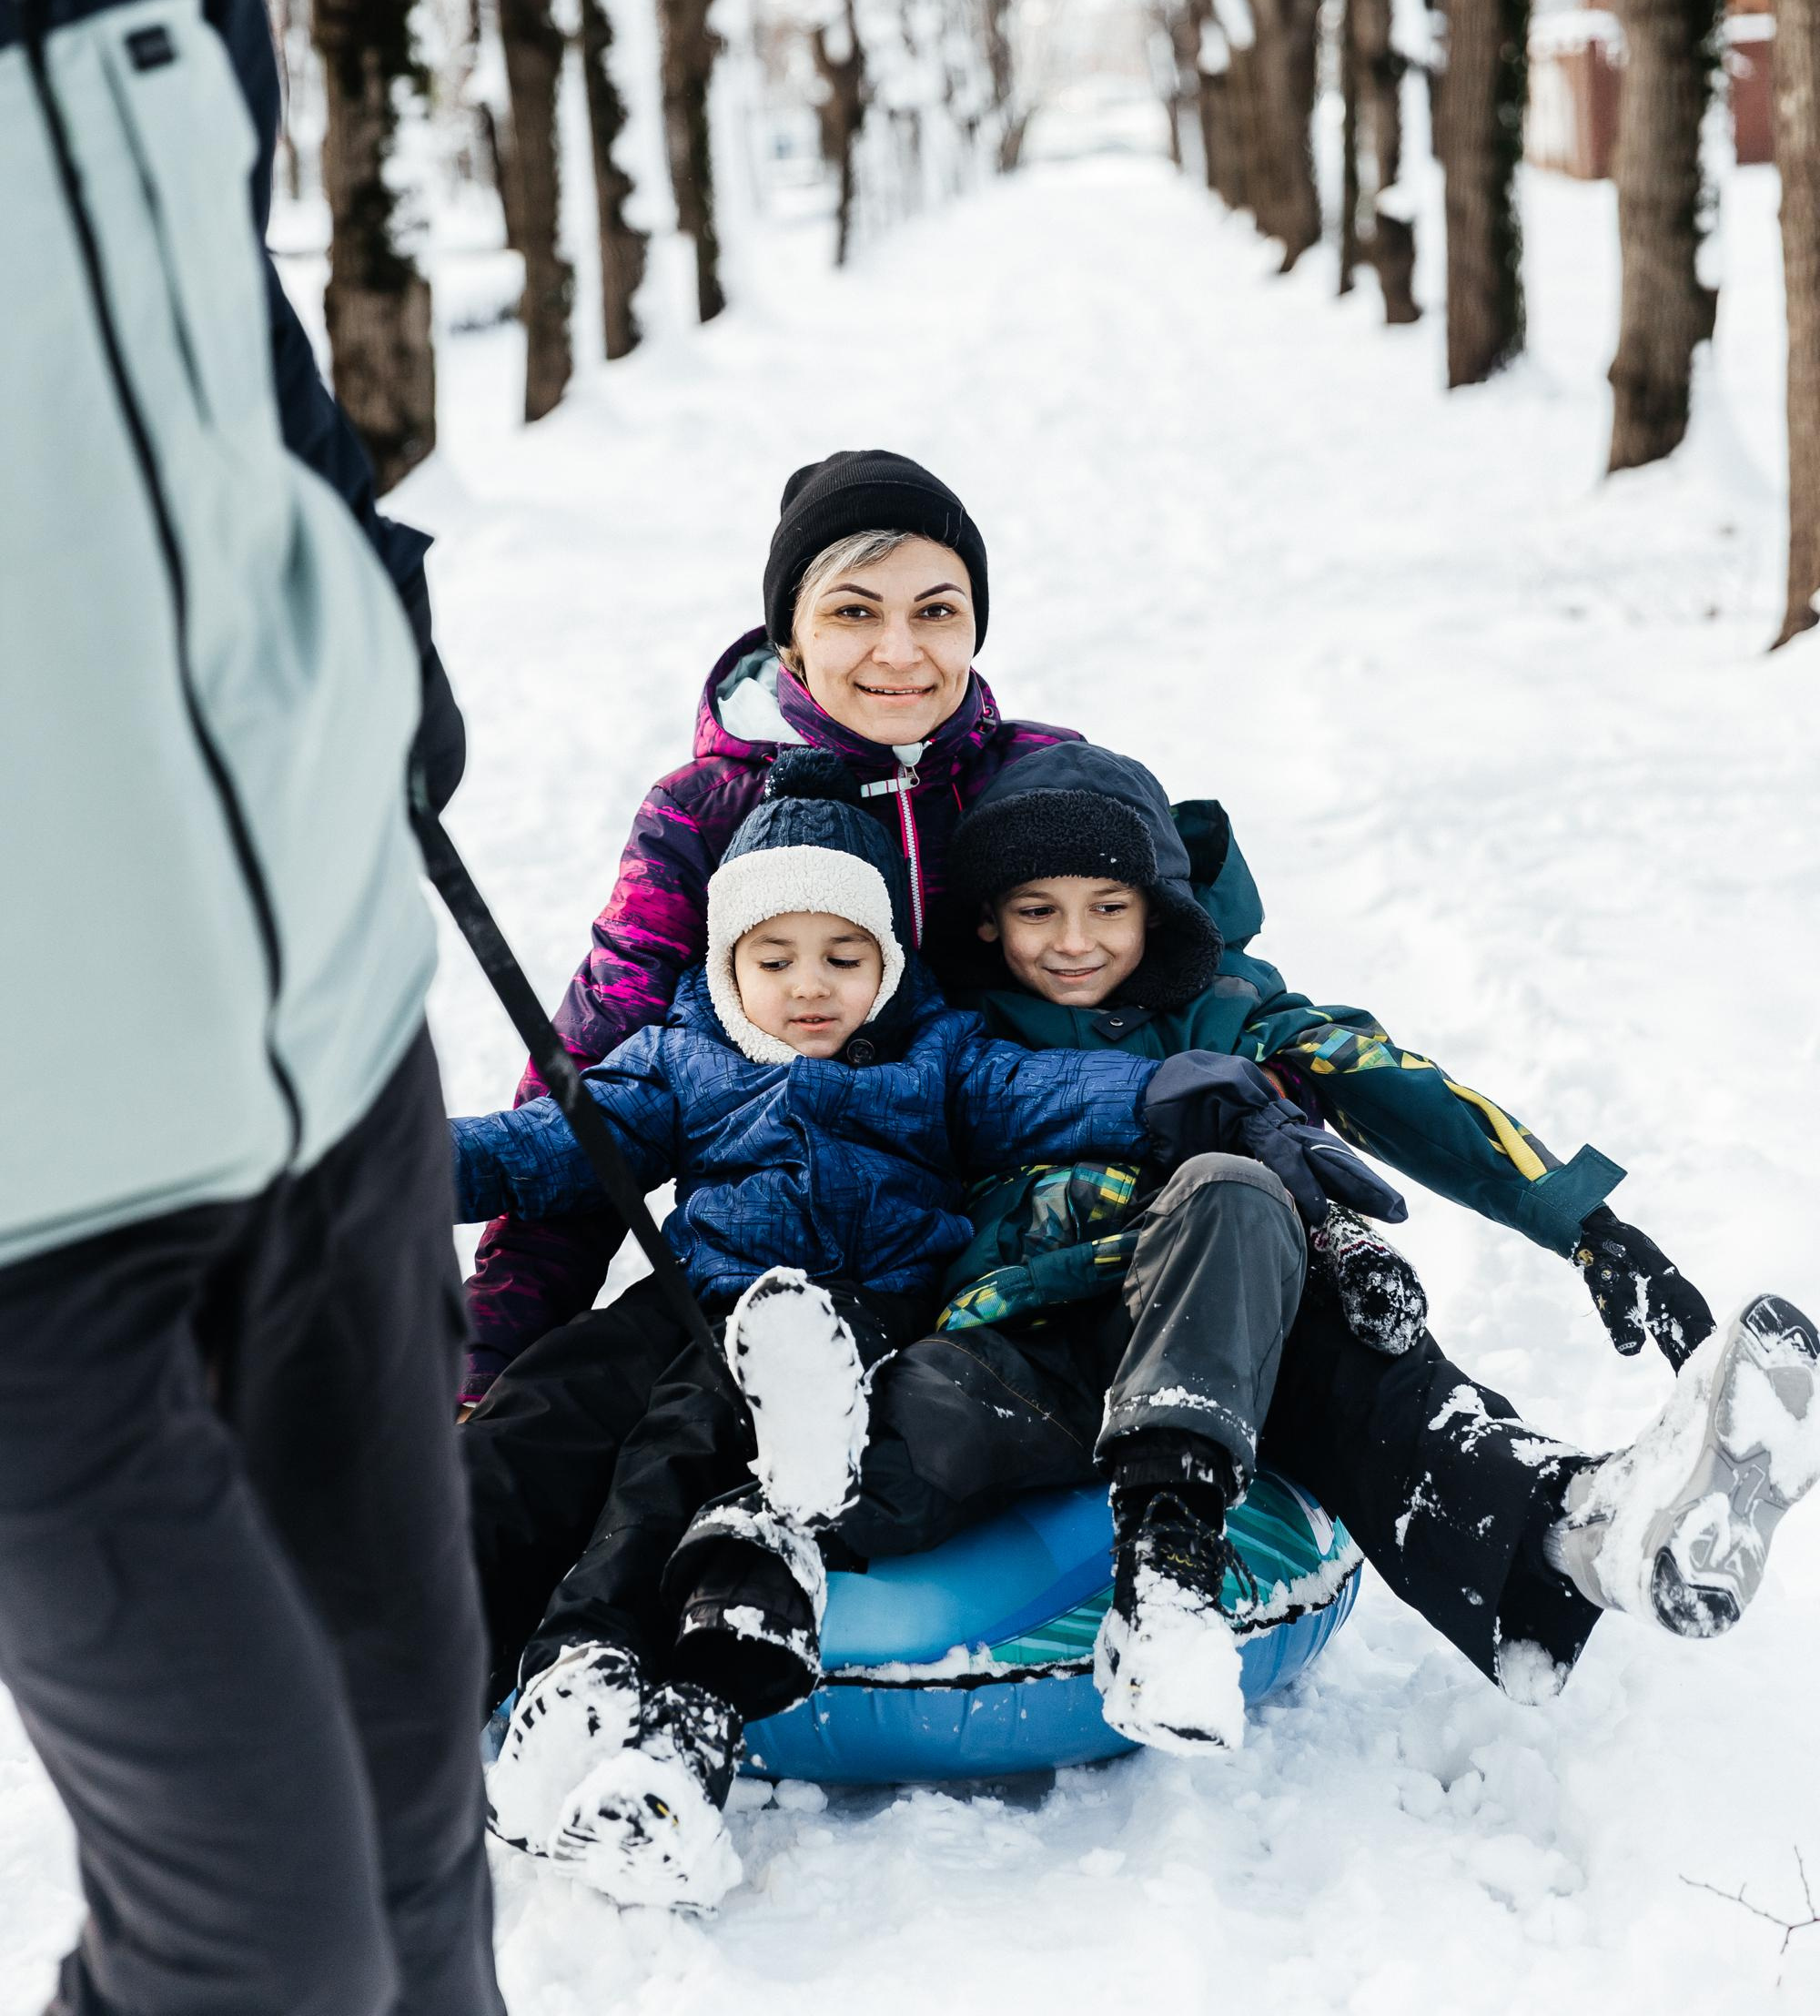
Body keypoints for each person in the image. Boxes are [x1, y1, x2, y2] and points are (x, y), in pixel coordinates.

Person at [0, 0, 499, 2010]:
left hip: (325, 1037)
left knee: (418, 1860)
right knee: (268, 1943)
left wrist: (345, 598)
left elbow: (213, 318)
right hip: (25, 1200)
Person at [811, 743, 1820, 1753]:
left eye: (1107, 908)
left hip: (1219, 1330)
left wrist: (1581, 1223)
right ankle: (742, 1588)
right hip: (1024, 1339)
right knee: (905, 1454)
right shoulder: (944, 1031)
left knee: (1361, 1364)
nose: (1073, 941)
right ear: (988, 916)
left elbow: (1391, 1081)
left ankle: (1589, 1527)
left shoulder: (1227, 1009)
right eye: (1038, 910)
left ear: (1155, 908)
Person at [453, 754, 1330, 1907]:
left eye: (843, 956)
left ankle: (594, 1664)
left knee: (680, 1446)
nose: (809, 986)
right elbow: (547, 1148)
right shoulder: (676, 1059)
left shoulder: (937, 1056)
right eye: (775, 960)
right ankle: (412, 1654)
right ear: (726, 963)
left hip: (845, 1321)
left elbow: (1045, 1091)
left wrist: (1172, 1093)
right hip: (688, 1296)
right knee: (545, 1409)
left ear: (888, 961)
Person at [461, 447, 1090, 1403]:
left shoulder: (1039, 781)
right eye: (852, 610)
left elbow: (1169, 979)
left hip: (1016, 1244)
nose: (898, 649)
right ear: (789, 635)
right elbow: (588, 1101)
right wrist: (487, 1364)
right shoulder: (704, 812)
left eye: (935, 610)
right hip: (763, 1270)